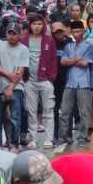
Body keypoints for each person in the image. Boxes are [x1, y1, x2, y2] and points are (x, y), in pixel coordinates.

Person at [22, 12, 58, 150]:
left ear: (43, 25)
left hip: (45, 80)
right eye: (34, 24)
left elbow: (54, 60)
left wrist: (50, 78)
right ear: (30, 25)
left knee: (48, 109)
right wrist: (24, 79)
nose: (36, 27)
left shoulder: (49, 40)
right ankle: (32, 139)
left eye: (39, 24)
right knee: (31, 111)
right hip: (29, 81)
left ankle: (49, 138)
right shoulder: (24, 40)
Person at [0, 22, 29, 151]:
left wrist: (11, 86)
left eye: (15, 33)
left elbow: (21, 70)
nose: (12, 36)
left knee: (15, 117)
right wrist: (9, 74)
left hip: (17, 87)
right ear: (6, 33)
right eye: (10, 33)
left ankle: (14, 143)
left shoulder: (23, 49)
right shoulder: (0, 46)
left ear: (20, 35)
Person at [58, 20, 93, 147]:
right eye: (73, 32)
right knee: (65, 111)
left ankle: (82, 137)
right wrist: (76, 59)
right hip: (70, 82)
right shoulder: (68, 46)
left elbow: (85, 63)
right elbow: (62, 62)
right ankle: (64, 137)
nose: (76, 34)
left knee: (84, 112)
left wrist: (71, 61)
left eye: (78, 31)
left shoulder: (89, 45)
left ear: (83, 31)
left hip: (84, 83)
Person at [51, 21, 72, 145]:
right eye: (56, 32)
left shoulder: (70, 43)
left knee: (67, 108)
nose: (59, 34)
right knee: (54, 108)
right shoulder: (50, 43)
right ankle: (56, 134)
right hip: (54, 80)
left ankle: (67, 134)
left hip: (68, 79)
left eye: (61, 31)